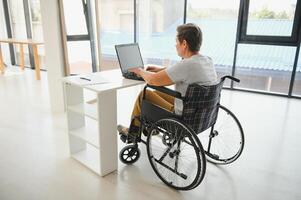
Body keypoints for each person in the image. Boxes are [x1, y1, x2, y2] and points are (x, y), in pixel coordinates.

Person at [117, 23, 217, 138]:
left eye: (176, 42)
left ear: (184, 43)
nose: (175, 45)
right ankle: (149, 126)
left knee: (144, 94)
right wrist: (159, 70)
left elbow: (153, 81)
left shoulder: (187, 65)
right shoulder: (207, 60)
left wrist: (139, 71)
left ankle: (132, 133)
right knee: (156, 94)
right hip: (202, 114)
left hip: (184, 118)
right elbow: (180, 71)